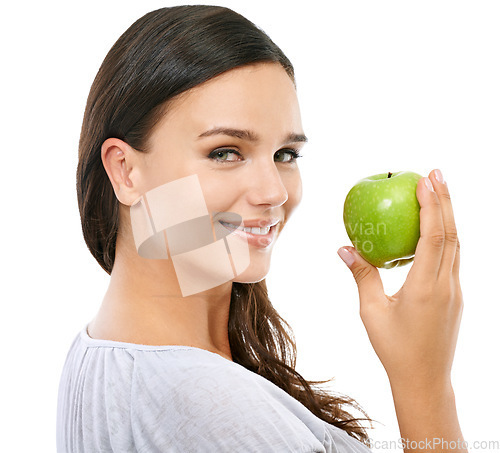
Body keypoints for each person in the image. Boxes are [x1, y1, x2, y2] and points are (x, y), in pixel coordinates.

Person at [57, 5, 466, 452]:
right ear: (126, 171)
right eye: (226, 152)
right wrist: (424, 383)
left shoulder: (100, 352)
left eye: (285, 154)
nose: (273, 192)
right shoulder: (211, 404)